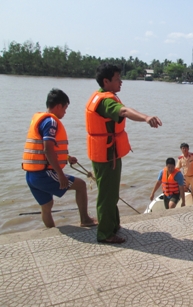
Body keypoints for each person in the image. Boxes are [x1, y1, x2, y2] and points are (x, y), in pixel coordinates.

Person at [85, 63, 162, 244]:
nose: (121, 82)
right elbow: (125, 111)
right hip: (106, 155)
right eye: (118, 79)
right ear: (106, 81)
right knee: (107, 194)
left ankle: (113, 225)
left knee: (111, 192)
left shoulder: (103, 97)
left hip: (107, 153)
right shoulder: (105, 101)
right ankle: (105, 233)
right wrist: (146, 117)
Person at [23, 88, 97, 228]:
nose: (65, 112)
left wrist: (67, 158)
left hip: (31, 175)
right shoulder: (51, 122)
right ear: (58, 106)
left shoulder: (40, 119)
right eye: (65, 108)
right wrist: (60, 174)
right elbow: (47, 149)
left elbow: (43, 148)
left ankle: (51, 232)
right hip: (44, 173)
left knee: (47, 206)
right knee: (81, 185)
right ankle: (85, 219)